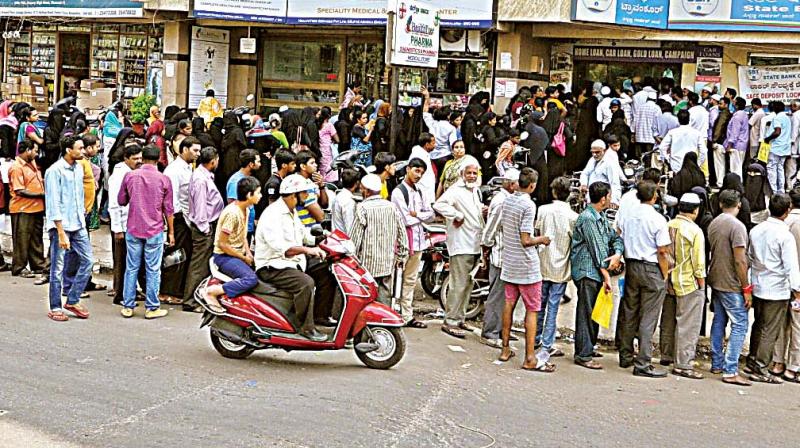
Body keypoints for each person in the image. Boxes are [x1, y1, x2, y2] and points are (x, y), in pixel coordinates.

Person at [255, 174, 328, 342]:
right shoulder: (272, 215)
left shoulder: (292, 212)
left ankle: (320, 316)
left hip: (293, 262)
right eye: (304, 193)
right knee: (306, 283)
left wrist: (324, 238)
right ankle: (305, 328)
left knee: (326, 269)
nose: (307, 197)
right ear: (294, 194)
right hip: (273, 266)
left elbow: (305, 236)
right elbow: (282, 249)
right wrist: (308, 250)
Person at [495, 168, 554, 371]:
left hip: (510, 261)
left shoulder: (507, 200)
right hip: (526, 266)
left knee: (509, 304)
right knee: (532, 310)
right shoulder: (528, 205)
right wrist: (543, 239)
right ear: (532, 185)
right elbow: (526, 239)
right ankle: (530, 357)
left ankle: (504, 349)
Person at [618, 181, 671, 377]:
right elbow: (662, 251)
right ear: (654, 197)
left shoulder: (629, 216)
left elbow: (619, 233)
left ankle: (625, 355)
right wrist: (664, 275)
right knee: (648, 317)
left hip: (632, 265)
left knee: (630, 311)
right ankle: (643, 362)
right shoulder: (657, 219)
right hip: (651, 267)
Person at [746, 194, 800, 383]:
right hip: (776, 288)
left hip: (759, 283)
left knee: (758, 324)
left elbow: (750, 257)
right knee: (770, 329)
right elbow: (791, 266)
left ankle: (752, 361)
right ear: (787, 211)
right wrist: (797, 291)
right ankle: (761, 367)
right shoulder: (785, 236)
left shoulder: (756, 230)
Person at [117, 144, 174, 319]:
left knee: (132, 267)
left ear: (142, 158)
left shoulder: (130, 176)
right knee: (153, 269)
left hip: (134, 227)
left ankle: (128, 305)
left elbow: (121, 200)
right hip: (155, 229)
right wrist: (171, 232)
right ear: (158, 159)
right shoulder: (164, 180)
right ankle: (152, 307)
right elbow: (168, 209)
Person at [571, 181, 623, 369]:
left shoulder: (600, 217)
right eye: (609, 196)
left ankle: (589, 346)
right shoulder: (588, 219)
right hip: (587, 271)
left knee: (595, 310)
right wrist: (606, 275)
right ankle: (583, 354)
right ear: (603, 199)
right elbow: (598, 250)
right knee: (586, 311)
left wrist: (617, 253)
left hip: (597, 272)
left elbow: (615, 238)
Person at [433, 159, 484, 338]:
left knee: (468, 284)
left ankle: (460, 318)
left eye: (474, 173)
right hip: (461, 243)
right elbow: (438, 205)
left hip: (475, 243)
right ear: (462, 174)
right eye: (469, 173)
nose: (472, 176)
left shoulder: (475, 190)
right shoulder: (455, 190)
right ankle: (451, 321)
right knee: (458, 284)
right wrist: (456, 214)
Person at [45, 135, 93, 322]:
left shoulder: (79, 168)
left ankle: (72, 300)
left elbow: (79, 196)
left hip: (78, 223)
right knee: (57, 268)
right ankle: (55, 306)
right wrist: (60, 231)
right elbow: (53, 203)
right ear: (68, 150)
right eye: (79, 148)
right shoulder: (54, 171)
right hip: (61, 226)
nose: (83, 151)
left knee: (88, 261)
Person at [658, 193, 706, 379]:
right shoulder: (695, 231)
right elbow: (698, 263)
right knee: (687, 325)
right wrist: (701, 284)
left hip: (668, 280)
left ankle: (666, 355)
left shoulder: (668, 225)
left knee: (668, 321)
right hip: (688, 283)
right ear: (695, 210)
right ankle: (683, 364)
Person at [708, 190, 752, 386]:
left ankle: (717, 363)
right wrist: (746, 288)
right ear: (739, 205)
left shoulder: (715, 223)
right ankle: (730, 369)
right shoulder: (737, 226)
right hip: (731, 282)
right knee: (740, 324)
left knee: (719, 321)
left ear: (720, 204)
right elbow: (740, 260)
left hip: (716, 278)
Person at [203, 176, 262, 312]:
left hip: (237, 253)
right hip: (223, 256)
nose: (260, 195)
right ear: (249, 195)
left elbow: (243, 236)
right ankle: (212, 292)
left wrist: (248, 253)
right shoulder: (232, 213)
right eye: (258, 192)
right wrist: (243, 258)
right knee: (251, 279)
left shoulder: (246, 209)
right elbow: (222, 244)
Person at [535, 177, 578, 358]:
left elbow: (537, 231)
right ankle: (547, 344)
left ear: (553, 192)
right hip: (561, 267)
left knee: (540, 304)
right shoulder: (573, 217)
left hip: (542, 262)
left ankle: (536, 338)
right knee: (553, 306)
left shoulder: (543, 210)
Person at [349, 174, 409, 304]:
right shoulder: (391, 207)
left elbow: (354, 240)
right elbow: (402, 234)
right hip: (387, 261)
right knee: (385, 294)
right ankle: (384, 321)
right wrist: (402, 256)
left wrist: (351, 259)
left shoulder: (362, 208)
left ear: (366, 191)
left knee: (367, 295)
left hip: (367, 263)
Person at [391, 158, 435, 328]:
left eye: (421, 172)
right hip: (402, 243)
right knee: (396, 279)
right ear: (408, 169)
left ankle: (407, 315)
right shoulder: (398, 192)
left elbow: (430, 215)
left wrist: (418, 215)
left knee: (410, 280)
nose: (418, 175)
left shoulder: (420, 191)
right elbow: (405, 219)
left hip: (418, 242)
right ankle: (393, 313)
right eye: (416, 170)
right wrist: (419, 216)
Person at [479, 168, 519, 348]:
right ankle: (490, 332)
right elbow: (491, 228)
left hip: (509, 256)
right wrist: (486, 246)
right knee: (497, 295)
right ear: (511, 185)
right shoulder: (501, 202)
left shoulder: (509, 200)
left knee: (507, 296)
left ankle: (503, 330)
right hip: (500, 254)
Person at [183, 147, 225, 311]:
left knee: (203, 264)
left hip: (206, 225)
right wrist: (204, 228)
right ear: (213, 161)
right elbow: (200, 207)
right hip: (203, 227)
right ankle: (190, 301)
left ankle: (198, 297)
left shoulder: (204, 175)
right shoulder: (201, 179)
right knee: (198, 265)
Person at [161, 136, 200, 305]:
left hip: (186, 218)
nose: (197, 154)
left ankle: (177, 289)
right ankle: (167, 291)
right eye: (195, 150)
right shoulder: (174, 170)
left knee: (183, 255)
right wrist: (175, 223)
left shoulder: (189, 168)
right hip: (177, 218)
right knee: (175, 255)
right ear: (184, 150)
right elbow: (171, 198)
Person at [108, 144, 146, 306]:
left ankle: (128, 291)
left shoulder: (131, 173)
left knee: (130, 260)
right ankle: (121, 295)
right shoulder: (119, 176)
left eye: (140, 158)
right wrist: (117, 229)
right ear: (126, 159)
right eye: (135, 159)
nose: (139, 162)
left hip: (131, 225)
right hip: (122, 226)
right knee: (122, 261)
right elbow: (115, 204)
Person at [772, 188, 800, 382]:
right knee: (798, 326)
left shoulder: (781, 222)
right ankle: (793, 366)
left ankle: (777, 362)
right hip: (798, 283)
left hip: (780, 281)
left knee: (781, 324)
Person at [9, 139, 45, 278]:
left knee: (36, 238)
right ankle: (19, 267)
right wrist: (41, 194)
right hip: (22, 208)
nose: (36, 154)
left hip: (36, 208)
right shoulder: (17, 167)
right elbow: (19, 190)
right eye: (35, 151)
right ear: (27, 151)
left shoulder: (32, 164)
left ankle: (37, 265)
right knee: (21, 239)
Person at [226, 149, 261, 241]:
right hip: (240, 229)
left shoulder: (248, 178)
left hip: (248, 225)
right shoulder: (235, 182)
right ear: (251, 164)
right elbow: (232, 204)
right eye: (258, 161)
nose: (260, 164)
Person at [659, 109, 707, 173]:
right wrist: (698, 164)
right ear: (689, 119)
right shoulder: (697, 133)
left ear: (678, 120)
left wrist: (668, 160)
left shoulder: (672, 132)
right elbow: (703, 151)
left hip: (675, 165)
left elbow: (662, 147)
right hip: (691, 165)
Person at [580, 139, 621, 207]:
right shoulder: (592, 160)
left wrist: (614, 200)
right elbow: (585, 173)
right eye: (592, 152)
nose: (594, 155)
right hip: (590, 197)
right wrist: (584, 184)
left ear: (604, 151)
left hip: (602, 199)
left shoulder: (609, 163)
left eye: (597, 152)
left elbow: (615, 183)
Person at [294, 150, 329, 227]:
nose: (316, 165)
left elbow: (324, 204)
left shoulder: (309, 182)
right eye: (312, 163)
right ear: (303, 166)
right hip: (308, 229)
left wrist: (321, 186)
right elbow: (321, 217)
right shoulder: (302, 184)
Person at [764, 102, 792, 194]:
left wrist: (767, 139)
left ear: (775, 108)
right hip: (785, 148)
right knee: (780, 168)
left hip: (775, 147)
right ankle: (781, 190)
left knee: (771, 168)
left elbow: (777, 132)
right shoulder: (787, 118)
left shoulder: (777, 118)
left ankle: (774, 191)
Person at [259, 149, 296, 215]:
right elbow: (272, 207)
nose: (295, 166)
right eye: (292, 164)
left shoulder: (284, 178)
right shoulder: (274, 184)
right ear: (284, 165)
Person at [722, 97, 748, 182]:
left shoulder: (737, 117)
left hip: (736, 146)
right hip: (742, 145)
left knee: (735, 169)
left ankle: (736, 187)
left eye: (734, 102)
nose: (732, 103)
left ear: (736, 105)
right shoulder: (743, 114)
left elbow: (734, 132)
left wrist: (729, 145)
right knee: (738, 167)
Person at [410, 132, 437, 204]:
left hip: (427, 190)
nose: (435, 145)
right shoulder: (419, 156)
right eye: (433, 143)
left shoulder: (424, 154)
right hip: (422, 191)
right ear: (427, 145)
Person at [632, 92, 660, 160]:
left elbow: (634, 121)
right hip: (650, 137)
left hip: (639, 136)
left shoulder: (640, 107)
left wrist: (633, 133)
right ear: (655, 100)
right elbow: (658, 123)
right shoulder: (656, 108)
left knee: (639, 158)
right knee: (649, 158)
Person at [331, 168, 359, 234]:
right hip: (344, 240)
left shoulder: (338, 196)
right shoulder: (348, 201)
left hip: (337, 237)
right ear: (357, 183)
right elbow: (350, 227)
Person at [317, 107, 339, 182]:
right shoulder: (329, 125)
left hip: (320, 149)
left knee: (322, 167)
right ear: (329, 115)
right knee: (329, 168)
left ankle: (321, 181)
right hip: (328, 150)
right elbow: (337, 139)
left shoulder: (317, 124)